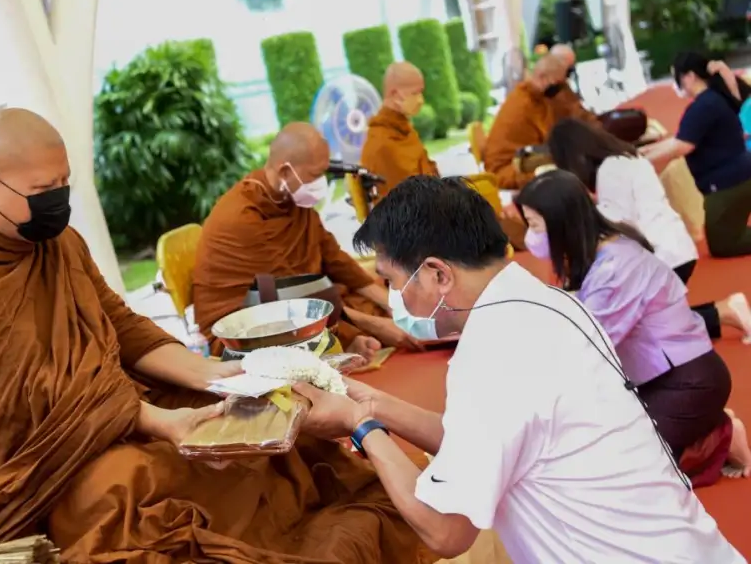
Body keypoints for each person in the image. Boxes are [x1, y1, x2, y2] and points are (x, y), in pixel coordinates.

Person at [0, 108, 432, 562]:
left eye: (64, 184)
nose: (58, 201)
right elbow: (21, 405)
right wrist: (160, 422)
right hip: (38, 465)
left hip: (109, 409)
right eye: (43, 191)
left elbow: (122, 327)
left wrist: (218, 374)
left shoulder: (59, 243)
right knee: (132, 488)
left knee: (243, 416)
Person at [290, 175, 743, 563]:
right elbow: (479, 441)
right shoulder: (542, 301)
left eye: (391, 281)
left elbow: (445, 529)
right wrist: (372, 403)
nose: (394, 299)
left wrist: (361, 426)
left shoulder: (493, 350)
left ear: (437, 274)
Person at [516, 170, 751, 483]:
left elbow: (591, 341)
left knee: (625, 471)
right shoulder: (596, 253)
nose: (530, 236)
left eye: (534, 225)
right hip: (650, 377)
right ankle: (702, 428)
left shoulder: (615, 265)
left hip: (687, 380)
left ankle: (719, 435)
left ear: (561, 222)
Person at [193, 122, 424, 354]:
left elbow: (334, 259)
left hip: (302, 299)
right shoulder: (243, 219)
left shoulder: (290, 197)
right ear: (285, 172)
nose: (320, 183)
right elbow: (289, 302)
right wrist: (370, 327)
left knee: (379, 299)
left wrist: (393, 304)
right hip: (246, 326)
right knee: (365, 325)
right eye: (314, 175)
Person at [548, 117, 751, 342]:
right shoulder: (627, 158)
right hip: (673, 248)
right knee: (653, 322)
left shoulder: (610, 170)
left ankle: (725, 311)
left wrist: (588, 212)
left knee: (642, 327)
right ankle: (725, 311)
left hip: (660, 254)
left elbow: (619, 220)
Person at [642, 52, 751, 258]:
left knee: (723, 245)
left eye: (677, 77)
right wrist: (643, 152)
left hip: (729, 183)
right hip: (734, 178)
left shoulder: (704, 105)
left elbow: (682, 146)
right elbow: (679, 140)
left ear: (690, 76)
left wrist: (640, 160)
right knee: (725, 238)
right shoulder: (712, 99)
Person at [481, 54, 567, 190]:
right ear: (543, 77)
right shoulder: (525, 103)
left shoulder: (532, 96)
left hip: (521, 161)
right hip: (507, 170)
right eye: (558, 84)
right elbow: (547, 137)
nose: (560, 89)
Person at [359, 61, 438, 200]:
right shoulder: (380, 144)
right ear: (395, 94)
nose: (420, 100)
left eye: (421, 92)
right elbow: (398, 202)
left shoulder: (405, 130)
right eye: (415, 93)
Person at [546, 44, 599, 123]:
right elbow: (573, 113)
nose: (569, 74)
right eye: (569, 69)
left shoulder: (562, 85)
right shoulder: (551, 89)